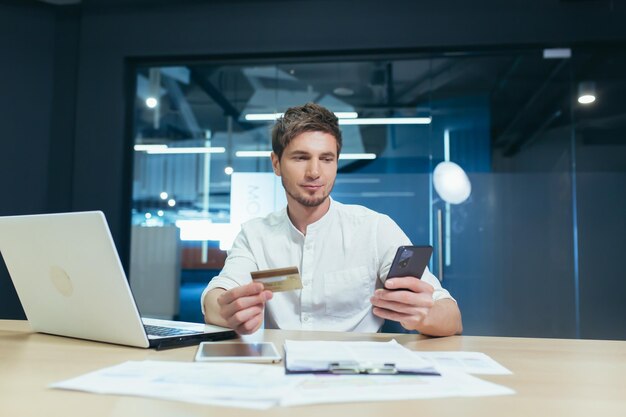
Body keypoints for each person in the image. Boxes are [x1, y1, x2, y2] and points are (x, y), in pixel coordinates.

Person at [202, 103, 462, 336]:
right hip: (281, 374)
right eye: (301, 157)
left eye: (326, 159)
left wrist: (424, 315)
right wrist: (226, 311)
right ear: (276, 163)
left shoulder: (375, 229)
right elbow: (217, 296)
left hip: (357, 376)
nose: (315, 172)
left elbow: (451, 316)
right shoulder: (255, 235)